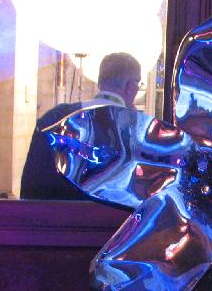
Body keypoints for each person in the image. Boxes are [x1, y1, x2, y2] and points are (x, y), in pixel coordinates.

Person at [19, 52, 142, 200]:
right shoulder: (138, 132)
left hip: (55, 211)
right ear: (130, 87)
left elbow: (31, 185)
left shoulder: (56, 118)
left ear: (100, 83)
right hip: (110, 215)